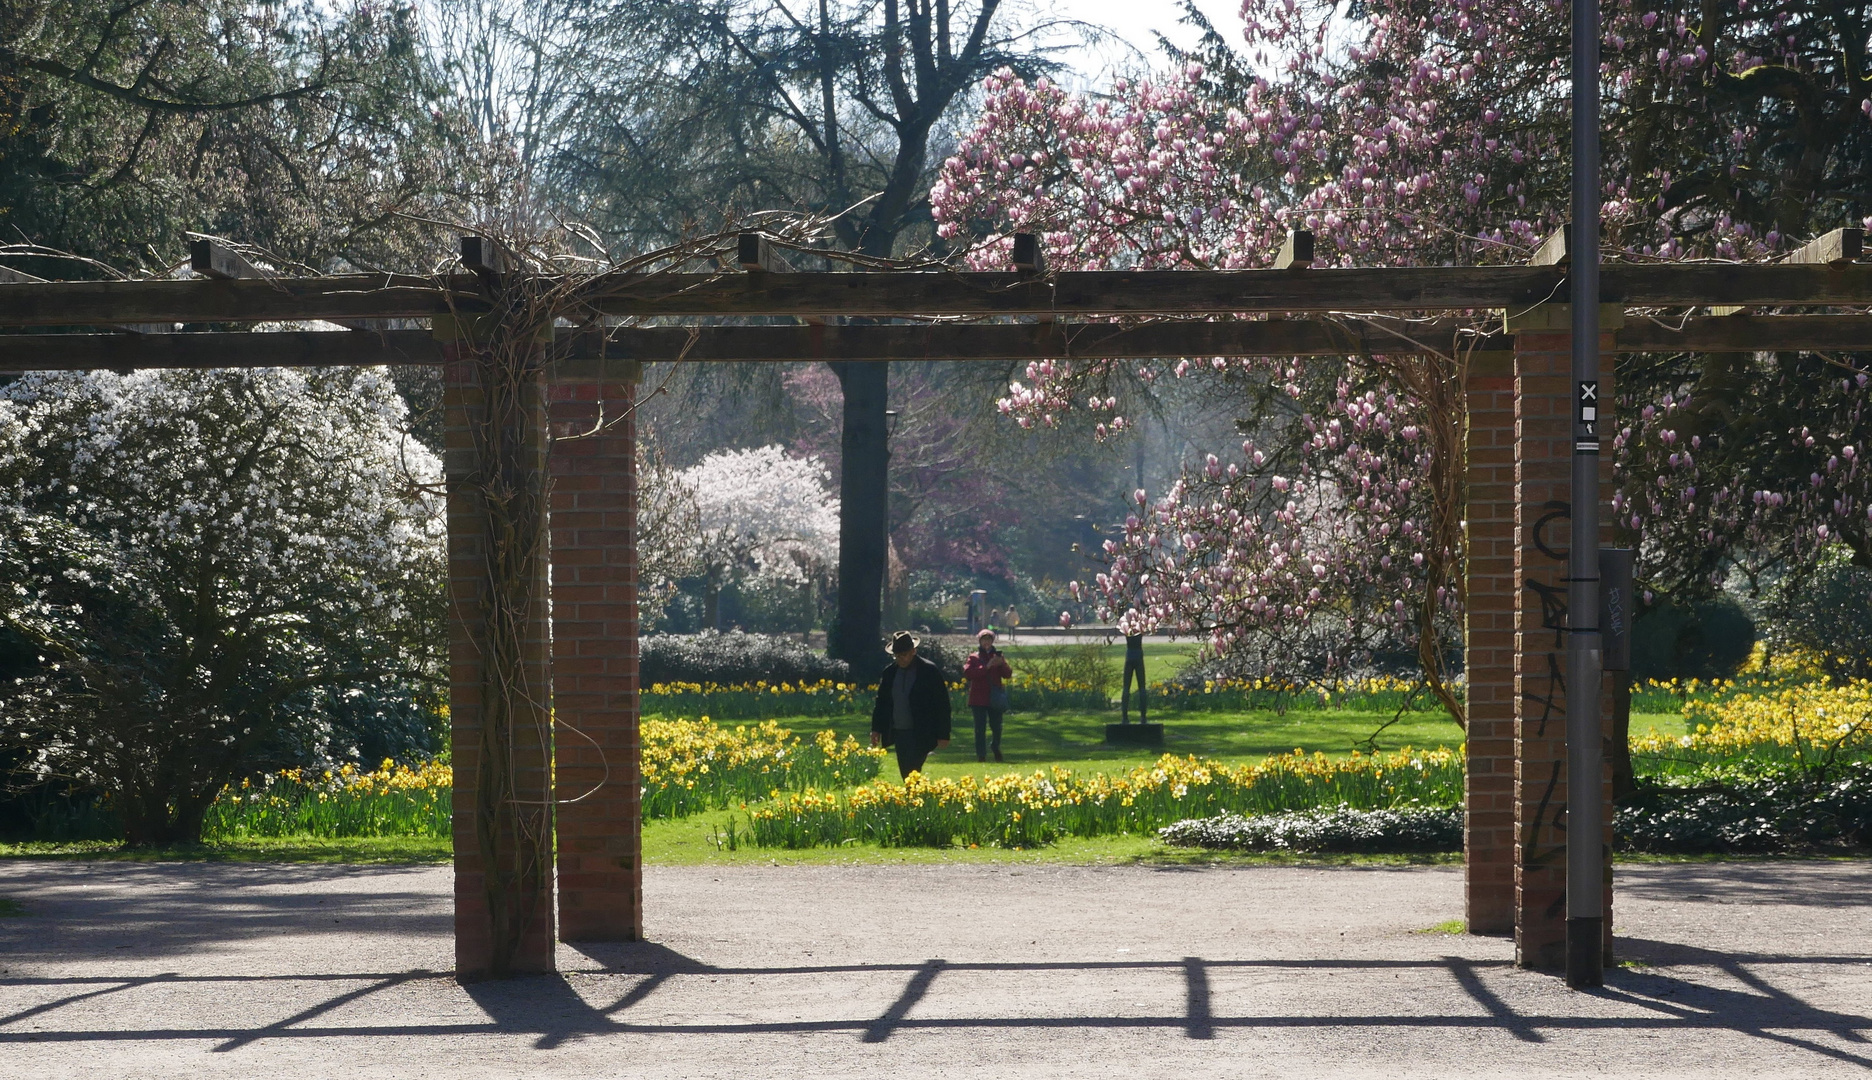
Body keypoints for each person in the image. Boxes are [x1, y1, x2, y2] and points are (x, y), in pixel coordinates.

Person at [870, 631, 952, 779]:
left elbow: (942, 704)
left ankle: (914, 797)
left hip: (922, 730)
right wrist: (876, 729)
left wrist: (943, 734)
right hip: (899, 730)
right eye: (897, 656)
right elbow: (881, 703)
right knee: (906, 770)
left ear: (913, 651)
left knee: (913, 768)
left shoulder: (928, 671)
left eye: (904, 654)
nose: (901, 659)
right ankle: (914, 797)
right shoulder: (889, 673)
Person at [962, 629, 1013, 762]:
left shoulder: (998, 656)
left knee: (997, 726)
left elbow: (1007, 674)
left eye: (989, 639)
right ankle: (981, 754)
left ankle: (995, 747)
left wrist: (1001, 664)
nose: (986, 642)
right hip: (978, 698)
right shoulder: (974, 657)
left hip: (994, 697)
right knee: (980, 728)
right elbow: (969, 674)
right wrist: (986, 667)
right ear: (980, 641)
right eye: (984, 639)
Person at [1121, 632, 1148, 724]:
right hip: (1138, 654)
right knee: (1142, 688)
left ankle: (1124, 718)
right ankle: (1143, 717)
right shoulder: (1139, 623)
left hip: (1129, 654)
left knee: (1126, 687)